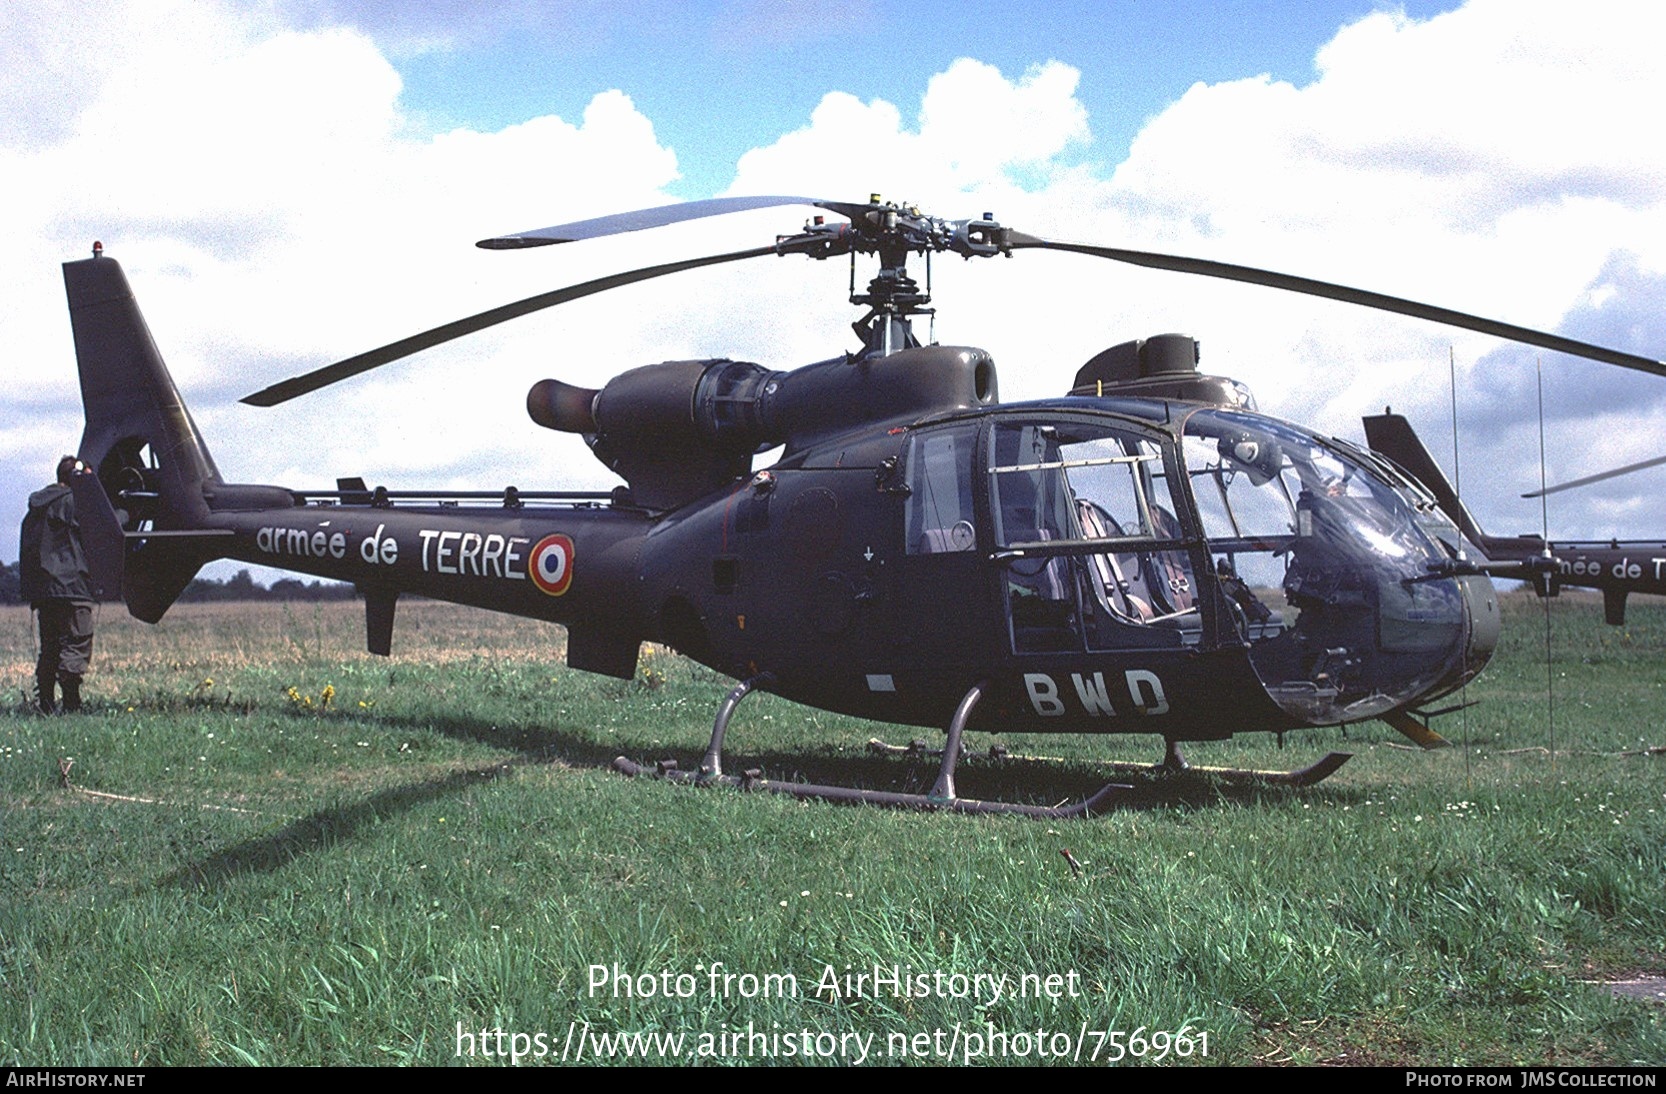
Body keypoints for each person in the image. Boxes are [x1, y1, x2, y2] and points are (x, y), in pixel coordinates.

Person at [19, 456, 95, 713]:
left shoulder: (37, 507)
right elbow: (103, 526)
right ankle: (72, 705)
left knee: (50, 647)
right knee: (76, 643)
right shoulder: (75, 503)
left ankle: (47, 705)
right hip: (73, 588)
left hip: (45, 591)